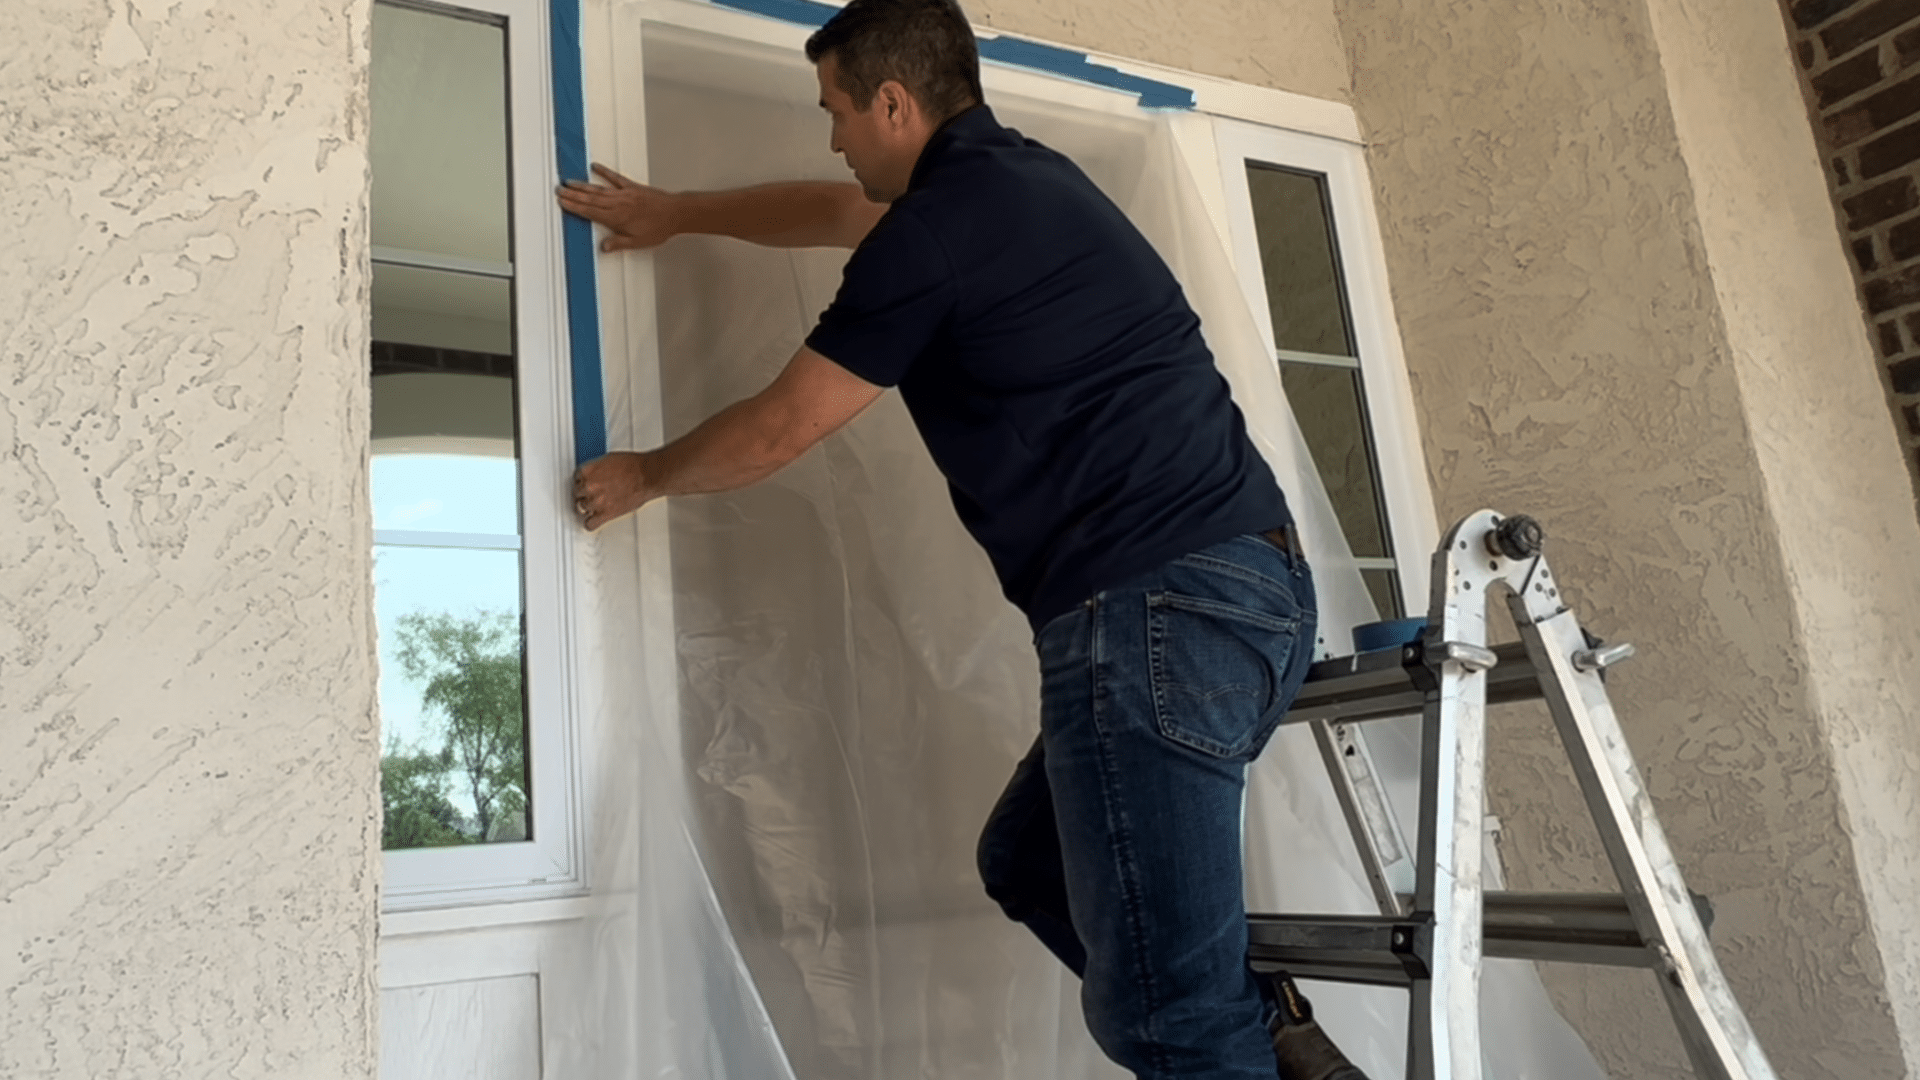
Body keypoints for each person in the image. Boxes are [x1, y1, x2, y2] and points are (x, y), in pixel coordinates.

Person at [559, 2, 1365, 1077]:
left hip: (1154, 609)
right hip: (1250, 594)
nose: (832, 134)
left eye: (837, 110)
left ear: (894, 101)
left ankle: (1228, 1033)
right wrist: (678, 213)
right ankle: (1266, 1035)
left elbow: (779, 427)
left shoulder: (940, 232)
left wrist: (644, 475)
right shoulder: (1020, 184)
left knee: (1168, 1022)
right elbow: (830, 207)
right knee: (1029, 861)